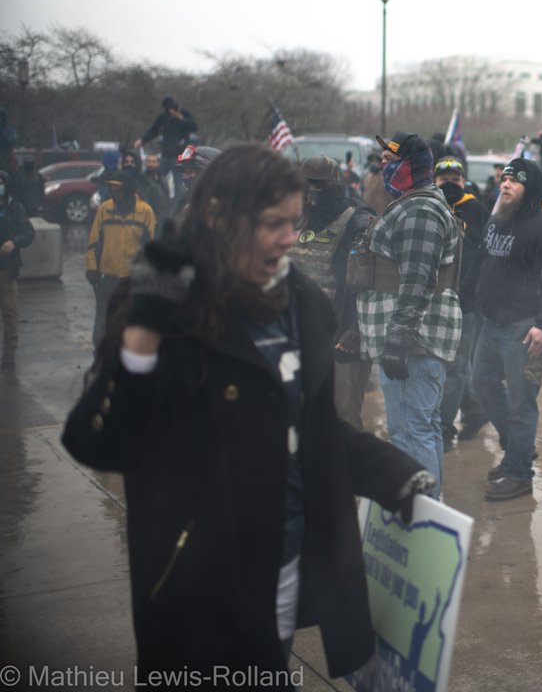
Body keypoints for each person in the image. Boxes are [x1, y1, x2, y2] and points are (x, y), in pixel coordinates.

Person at [61, 144, 434, 681]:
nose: (289, 238)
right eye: (271, 224)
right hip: (194, 583)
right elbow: (99, 441)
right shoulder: (168, 301)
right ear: (219, 217)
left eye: (294, 221)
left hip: (280, 571)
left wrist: (394, 476)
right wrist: (146, 323)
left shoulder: (300, 303)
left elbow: (312, 426)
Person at [356, 133, 461, 499]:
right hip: (414, 339)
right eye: (382, 158)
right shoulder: (414, 204)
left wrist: (398, 338)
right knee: (423, 428)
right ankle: (430, 508)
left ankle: (419, 520)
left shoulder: (419, 211)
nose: (384, 165)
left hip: (413, 343)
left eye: (390, 158)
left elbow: (417, 280)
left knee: (410, 433)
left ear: (413, 165)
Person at [472, 157, 542, 501]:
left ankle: (518, 473)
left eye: (515, 180)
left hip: (523, 328)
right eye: (505, 178)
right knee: (481, 384)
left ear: (532, 189)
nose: (506, 184)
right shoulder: (496, 221)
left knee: (521, 402)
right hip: (491, 324)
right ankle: (518, 451)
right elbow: (484, 264)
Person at [288, 156, 373, 431]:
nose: (309, 193)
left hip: (341, 341)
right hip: (298, 338)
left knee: (343, 422)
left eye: (316, 186)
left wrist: (356, 329)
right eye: (304, 185)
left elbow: (369, 287)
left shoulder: (358, 223)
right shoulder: (294, 219)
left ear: (333, 186)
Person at [432, 157, 490, 446]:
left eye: (455, 179)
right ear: (435, 180)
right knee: (443, 364)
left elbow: (484, 255)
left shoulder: (476, 210)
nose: (450, 184)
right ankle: (475, 408)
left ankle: (443, 427)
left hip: (466, 303)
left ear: (463, 181)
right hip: (433, 300)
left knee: (455, 366)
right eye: (444, 180)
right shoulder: (430, 206)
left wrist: (472, 290)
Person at [86, 172, 156, 347]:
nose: (113, 190)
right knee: (103, 322)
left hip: (133, 280)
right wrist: (92, 268)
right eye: (111, 186)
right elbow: (94, 241)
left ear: (128, 189)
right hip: (108, 278)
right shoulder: (104, 209)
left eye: (117, 186)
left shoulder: (145, 211)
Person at [0, 170, 35, 370]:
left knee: (9, 312)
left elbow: (29, 233)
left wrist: (14, 242)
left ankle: (9, 353)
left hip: (7, 269)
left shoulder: (15, 208)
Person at [134, 96, 198, 194]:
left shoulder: (185, 114)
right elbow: (153, 131)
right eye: (169, 110)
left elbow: (194, 127)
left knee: (179, 185)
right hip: (166, 154)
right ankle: (158, 197)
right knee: (158, 179)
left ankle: (177, 205)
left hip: (180, 156)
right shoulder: (164, 117)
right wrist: (142, 140)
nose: (171, 112)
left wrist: (180, 118)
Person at [121, 151, 170, 233]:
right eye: (126, 162)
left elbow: (161, 207)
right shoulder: (117, 183)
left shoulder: (149, 184)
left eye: (132, 162)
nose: (129, 165)